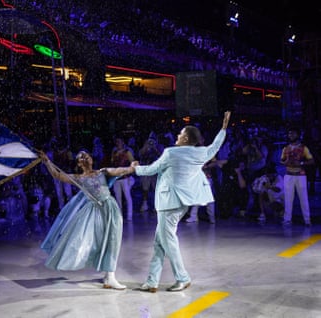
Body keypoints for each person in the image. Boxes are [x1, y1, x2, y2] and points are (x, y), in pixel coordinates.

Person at [131, 111, 231, 293]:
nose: (177, 136)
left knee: (168, 241)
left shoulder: (171, 153)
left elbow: (151, 170)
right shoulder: (200, 153)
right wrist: (223, 128)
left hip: (169, 202)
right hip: (182, 202)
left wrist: (135, 168)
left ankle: (182, 278)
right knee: (160, 242)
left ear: (185, 138)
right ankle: (152, 281)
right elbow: (216, 146)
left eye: (180, 134)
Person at [39, 150, 134, 290]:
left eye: (87, 156)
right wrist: (47, 161)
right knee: (97, 241)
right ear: (79, 163)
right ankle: (108, 274)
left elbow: (117, 171)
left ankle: (110, 276)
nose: (86, 158)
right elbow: (57, 175)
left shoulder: (102, 172)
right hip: (94, 212)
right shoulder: (78, 178)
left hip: (110, 208)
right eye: (82, 157)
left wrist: (130, 168)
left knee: (113, 240)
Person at [280, 127, 314, 226]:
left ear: (298, 135)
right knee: (288, 199)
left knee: (303, 198)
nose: (291, 136)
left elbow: (311, 160)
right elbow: (281, 160)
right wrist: (285, 162)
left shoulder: (303, 148)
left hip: (300, 175)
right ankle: (287, 219)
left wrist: (301, 163)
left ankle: (307, 220)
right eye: (289, 134)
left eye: (293, 134)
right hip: (289, 175)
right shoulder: (286, 148)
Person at [110, 136, 135, 221]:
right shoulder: (114, 152)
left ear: (122, 143)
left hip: (125, 177)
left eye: (119, 142)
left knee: (127, 196)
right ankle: (119, 215)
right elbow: (113, 163)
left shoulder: (127, 152)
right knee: (118, 197)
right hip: (116, 178)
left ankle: (129, 215)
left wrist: (129, 173)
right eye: (117, 142)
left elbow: (133, 163)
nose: (118, 144)